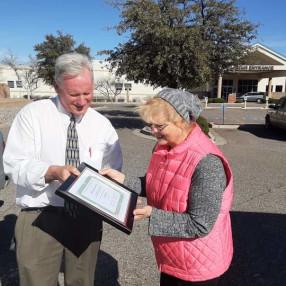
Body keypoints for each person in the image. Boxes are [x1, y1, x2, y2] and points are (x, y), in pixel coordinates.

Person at [3, 53, 122, 286]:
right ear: (57, 87)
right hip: (41, 216)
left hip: (86, 217)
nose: (82, 101)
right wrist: (52, 172)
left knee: (82, 281)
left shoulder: (101, 124)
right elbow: (13, 163)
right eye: (74, 94)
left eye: (87, 93)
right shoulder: (33, 115)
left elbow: (113, 167)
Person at [101, 88, 233, 286]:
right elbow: (158, 184)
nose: (153, 131)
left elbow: (200, 224)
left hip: (198, 265)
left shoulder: (207, 162)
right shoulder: (165, 147)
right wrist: (122, 180)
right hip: (173, 256)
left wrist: (151, 214)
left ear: (182, 121)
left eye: (159, 125)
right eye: (149, 124)